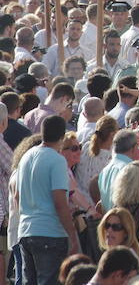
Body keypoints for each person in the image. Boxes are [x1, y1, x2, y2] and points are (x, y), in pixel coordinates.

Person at [17, 115, 79, 285]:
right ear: (62, 136)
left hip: (26, 230)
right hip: (49, 232)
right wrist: (72, 234)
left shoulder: (26, 157)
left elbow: (16, 195)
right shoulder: (57, 160)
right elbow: (60, 202)